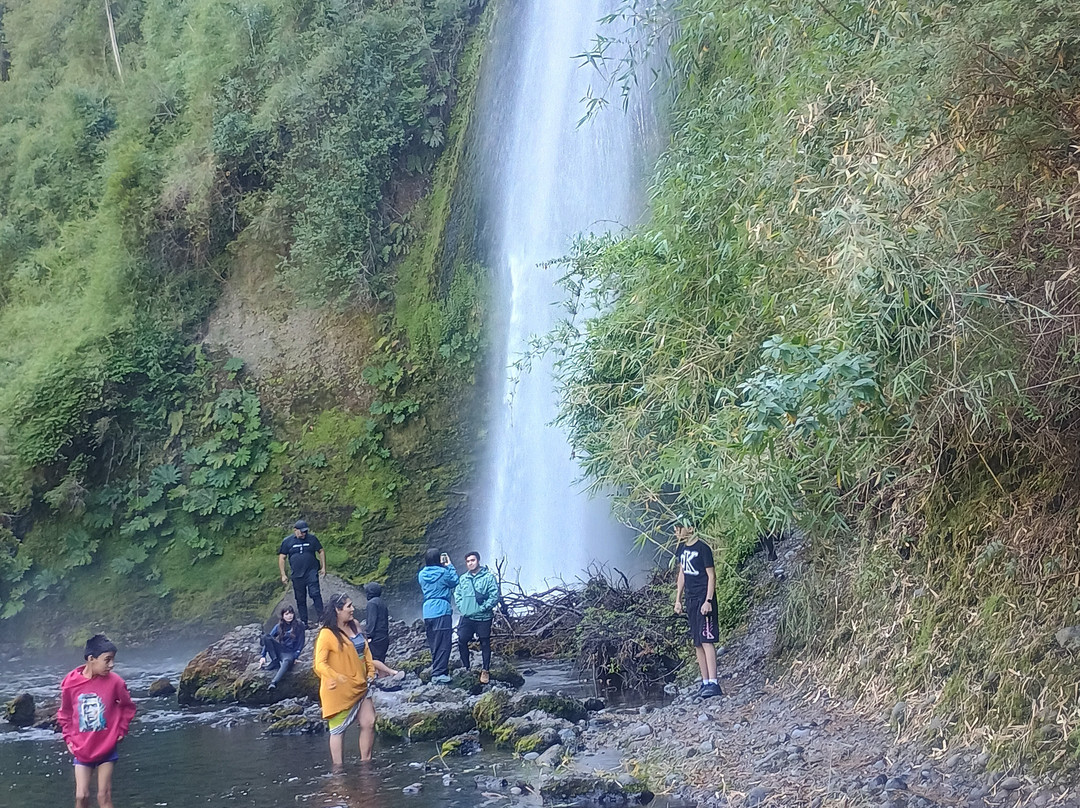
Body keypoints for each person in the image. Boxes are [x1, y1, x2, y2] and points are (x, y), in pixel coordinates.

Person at [313, 593, 401, 766]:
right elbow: (319, 664)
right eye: (348, 607)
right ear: (337, 610)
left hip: (361, 684)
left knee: (369, 721)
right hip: (339, 689)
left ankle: (365, 763)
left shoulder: (354, 625)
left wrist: (370, 671)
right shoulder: (327, 634)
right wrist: (334, 676)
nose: (353, 609)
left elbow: (365, 649)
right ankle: (338, 770)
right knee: (338, 730)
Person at [57, 634, 138, 808]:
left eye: (113, 660)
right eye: (107, 660)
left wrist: (121, 730)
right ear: (91, 659)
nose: (111, 665)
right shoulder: (70, 684)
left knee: (104, 796)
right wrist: (68, 739)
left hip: (106, 746)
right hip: (82, 747)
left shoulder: (116, 682)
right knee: (81, 796)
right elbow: (65, 713)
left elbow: (128, 706)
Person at [673, 523, 722, 698]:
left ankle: (714, 683)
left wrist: (708, 600)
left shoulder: (703, 549)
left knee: (707, 639)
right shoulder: (681, 549)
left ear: (691, 528)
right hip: (690, 598)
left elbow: (711, 576)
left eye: (680, 527)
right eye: (676, 527)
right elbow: (682, 573)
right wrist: (678, 599)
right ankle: (705, 681)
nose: (676, 531)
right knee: (697, 641)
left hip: (703, 597)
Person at [454, 550, 501, 684]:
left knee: (484, 642)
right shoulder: (463, 578)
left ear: (478, 561)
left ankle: (485, 670)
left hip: (483, 617)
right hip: (467, 616)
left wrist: (483, 607)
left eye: (473, 560)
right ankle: (466, 667)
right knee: (462, 639)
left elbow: (494, 595)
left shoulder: (488, 577)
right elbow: (457, 593)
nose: (470, 563)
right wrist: (462, 607)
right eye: (468, 561)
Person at [418, 548, 458, 684]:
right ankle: (439, 673)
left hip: (428, 611)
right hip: (441, 609)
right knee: (444, 642)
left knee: (434, 643)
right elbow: (454, 581)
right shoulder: (443, 573)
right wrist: (449, 565)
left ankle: (437, 669)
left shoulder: (421, 574)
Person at [278, 519, 326, 626]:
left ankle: (322, 618)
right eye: (302, 531)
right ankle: (304, 622)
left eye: (305, 531)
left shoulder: (312, 539)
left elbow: (321, 551)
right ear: (295, 530)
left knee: (315, 593)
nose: (304, 534)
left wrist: (323, 567)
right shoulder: (288, 541)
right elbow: (282, 557)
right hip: (297, 574)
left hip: (311, 571)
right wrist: (283, 574)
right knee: (300, 598)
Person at [260, 606, 306, 690]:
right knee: (266, 637)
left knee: (286, 662)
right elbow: (268, 638)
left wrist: (296, 656)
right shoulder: (278, 626)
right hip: (280, 649)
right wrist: (263, 656)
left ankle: (274, 682)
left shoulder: (299, 625)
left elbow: (301, 642)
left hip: (290, 653)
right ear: (283, 616)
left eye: (291, 613)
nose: (289, 616)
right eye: (287, 614)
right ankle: (275, 661)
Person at [363, 582, 390, 663]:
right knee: (381, 661)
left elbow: (371, 621)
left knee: (373, 660)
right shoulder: (382, 602)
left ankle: (389, 673)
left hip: (376, 638)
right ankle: (385, 675)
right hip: (384, 636)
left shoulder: (371, 603)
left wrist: (368, 636)